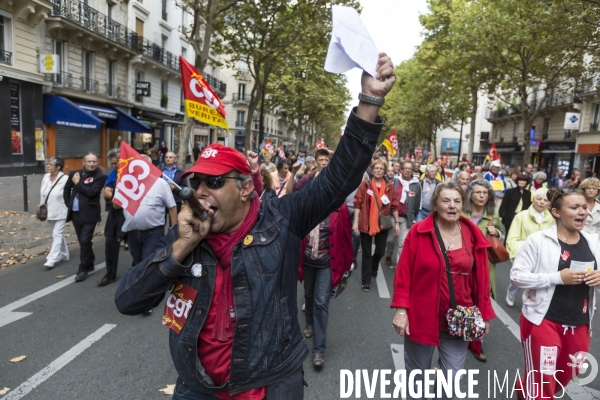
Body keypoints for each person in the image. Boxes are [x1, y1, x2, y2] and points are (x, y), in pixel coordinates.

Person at [114, 53, 395, 400]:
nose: (200, 192)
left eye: (213, 183)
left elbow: (338, 178)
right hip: (197, 388)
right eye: (196, 182)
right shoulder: (187, 235)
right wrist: (179, 249)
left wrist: (369, 102)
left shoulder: (282, 220)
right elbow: (127, 300)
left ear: (246, 188)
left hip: (268, 387)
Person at [391, 182, 496, 400]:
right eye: (446, 201)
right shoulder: (418, 233)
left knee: (451, 380)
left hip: (460, 318)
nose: (452, 206)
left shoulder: (472, 234)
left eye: (457, 201)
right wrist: (401, 310)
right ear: (435, 205)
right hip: (422, 317)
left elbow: (483, 280)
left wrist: (485, 315)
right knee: (416, 379)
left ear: (463, 205)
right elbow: (403, 275)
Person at [511, 188, 600, 399]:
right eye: (574, 207)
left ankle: (525, 388)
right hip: (544, 321)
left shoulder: (594, 241)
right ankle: (534, 391)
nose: (582, 212)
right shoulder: (538, 240)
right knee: (543, 381)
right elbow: (516, 276)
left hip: (579, 321)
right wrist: (557, 277)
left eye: (584, 207)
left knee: (569, 372)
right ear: (556, 212)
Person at [292, 167, 353, 369]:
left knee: (321, 303)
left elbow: (345, 237)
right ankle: (308, 322)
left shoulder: (340, 206)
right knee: (308, 295)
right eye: (317, 181)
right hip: (307, 260)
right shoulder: (305, 204)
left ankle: (318, 351)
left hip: (328, 263)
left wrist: (348, 263)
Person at [462, 179, 503, 362]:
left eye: (485, 193)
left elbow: (501, 233)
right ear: (470, 194)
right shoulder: (461, 211)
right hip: (461, 263)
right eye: (478, 192)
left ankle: (476, 344)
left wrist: (497, 233)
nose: (481, 196)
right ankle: (458, 334)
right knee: (463, 301)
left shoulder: (493, 215)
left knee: (480, 303)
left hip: (483, 266)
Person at [121, 155, 177, 268]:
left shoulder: (160, 183)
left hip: (153, 232)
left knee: (147, 262)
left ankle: (144, 284)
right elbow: (116, 206)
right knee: (137, 261)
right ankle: (140, 281)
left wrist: (174, 231)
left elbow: (172, 207)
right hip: (132, 232)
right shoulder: (126, 184)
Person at [353, 158, 400, 292]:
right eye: (376, 168)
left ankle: (374, 265)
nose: (378, 170)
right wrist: (355, 221)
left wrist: (397, 223)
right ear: (372, 170)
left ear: (385, 171)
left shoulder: (390, 186)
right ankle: (366, 281)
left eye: (381, 168)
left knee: (380, 251)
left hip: (382, 223)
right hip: (366, 223)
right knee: (367, 253)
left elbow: (394, 205)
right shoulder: (365, 184)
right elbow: (357, 203)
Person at [505, 188, 554, 307]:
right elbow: (512, 237)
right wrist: (515, 254)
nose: (542, 202)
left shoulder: (552, 219)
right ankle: (511, 292)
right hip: (523, 254)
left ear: (549, 203)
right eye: (539, 199)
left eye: (545, 200)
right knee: (520, 280)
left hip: (542, 255)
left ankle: (528, 303)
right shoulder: (521, 216)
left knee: (534, 281)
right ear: (533, 200)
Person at [63, 152, 107, 282]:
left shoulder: (100, 177)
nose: (92, 164)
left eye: (94, 162)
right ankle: (90, 261)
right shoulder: (74, 174)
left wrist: (77, 183)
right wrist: (68, 203)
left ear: (97, 163)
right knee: (84, 241)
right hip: (76, 213)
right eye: (89, 161)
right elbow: (66, 190)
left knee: (84, 240)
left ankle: (83, 269)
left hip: (90, 214)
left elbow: (91, 192)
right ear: (84, 162)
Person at [385, 160, 421, 267]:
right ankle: (388, 253)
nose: (407, 170)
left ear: (412, 170)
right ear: (401, 170)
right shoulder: (395, 181)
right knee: (390, 240)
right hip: (393, 216)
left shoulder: (416, 185)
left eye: (409, 168)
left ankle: (399, 266)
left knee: (403, 243)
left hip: (406, 219)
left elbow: (418, 203)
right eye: (405, 168)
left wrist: (413, 216)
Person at [100, 151, 125, 286]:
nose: (114, 166)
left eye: (117, 163)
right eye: (112, 163)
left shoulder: (132, 173)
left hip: (132, 212)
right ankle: (110, 274)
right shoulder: (113, 173)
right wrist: (118, 197)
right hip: (115, 212)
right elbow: (107, 191)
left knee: (136, 245)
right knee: (110, 240)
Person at [40, 156, 69, 269]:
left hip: (61, 210)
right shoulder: (46, 177)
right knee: (58, 233)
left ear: (58, 167)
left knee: (56, 234)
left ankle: (51, 259)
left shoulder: (65, 179)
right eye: (47, 164)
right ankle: (64, 254)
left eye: (50, 164)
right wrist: (42, 206)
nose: (48, 166)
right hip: (48, 210)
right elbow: (43, 192)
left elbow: (69, 194)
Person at [499, 172, 532, 240]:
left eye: (524, 181)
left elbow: (529, 207)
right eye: (520, 180)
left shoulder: (528, 193)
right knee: (508, 236)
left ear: (526, 182)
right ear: (517, 181)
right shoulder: (510, 191)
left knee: (519, 237)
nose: (521, 182)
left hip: (522, 218)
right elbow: (503, 205)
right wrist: (501, 216)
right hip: (510, 217)